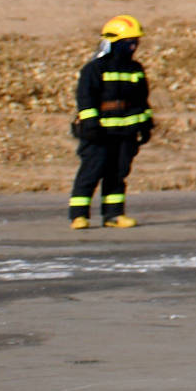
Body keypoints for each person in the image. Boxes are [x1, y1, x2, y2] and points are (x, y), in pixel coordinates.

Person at [68, 16, 151, 231]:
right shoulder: (94, 69)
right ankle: (79, 215)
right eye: (128, 42)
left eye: (135, 42)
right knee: (91, 171)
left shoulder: (135, 69)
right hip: (99, 133)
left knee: (117, 173)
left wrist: (145, 125)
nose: (133, 46)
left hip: (125, 133)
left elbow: (142, 100)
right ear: (114, 43)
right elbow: (85, 99)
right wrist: (90, 124)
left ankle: (113, 215)